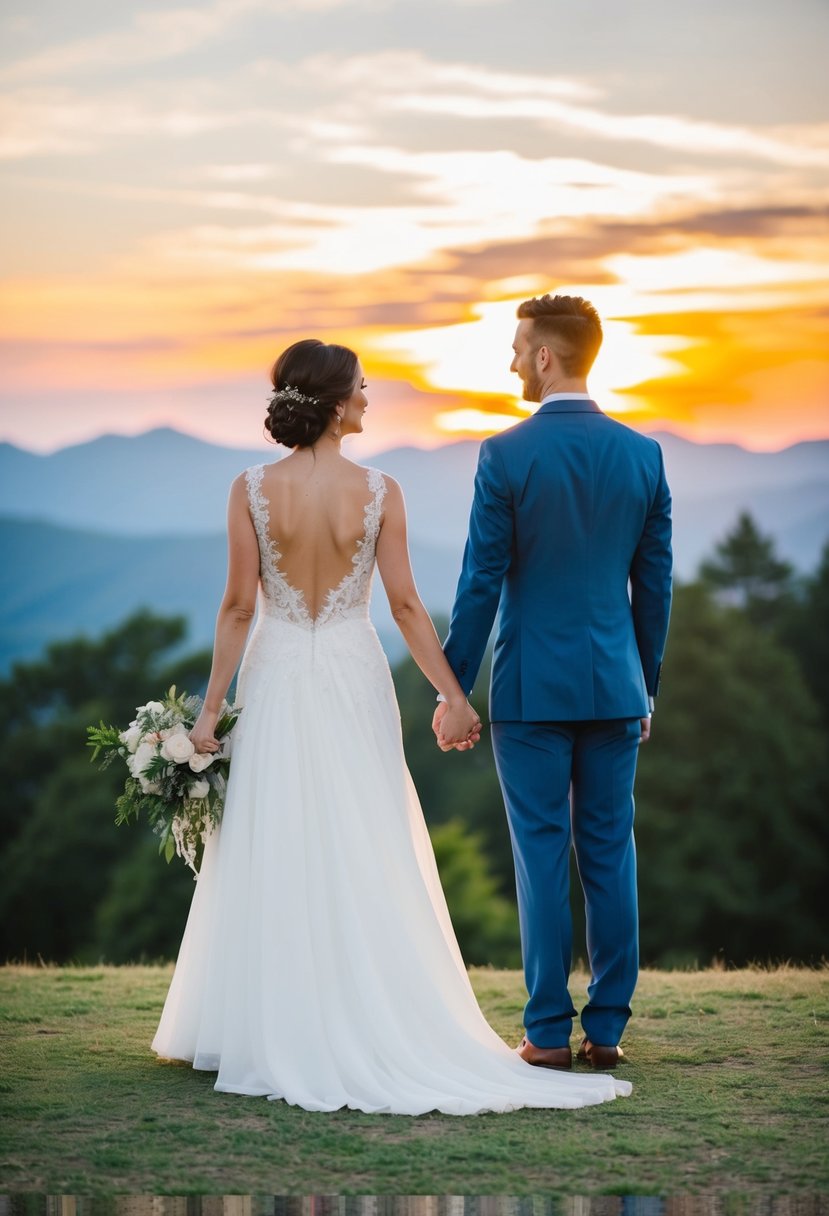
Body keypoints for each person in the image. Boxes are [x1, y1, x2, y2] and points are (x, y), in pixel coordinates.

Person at [151, 337, 631, 1114]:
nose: (370, 398)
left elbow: (239, 606)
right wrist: (454, 695)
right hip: (350, 670)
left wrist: (209, 712)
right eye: (364, 389)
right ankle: (365, 1011)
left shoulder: (249, 488)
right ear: (337, 402)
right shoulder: (380, 489)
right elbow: (406, 607)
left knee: (273, 830)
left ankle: (262, 1020)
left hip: (275, 673)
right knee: (362, 834)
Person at [436, 294, 672, 1072]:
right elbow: (655, 584)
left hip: (531, 690)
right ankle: (605, 1030)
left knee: (540, 856)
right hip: (614, 688)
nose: (508, 361)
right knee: (610, 851)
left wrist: (453, 689)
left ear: (544, 356)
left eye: (515, 347)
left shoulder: (503, 456)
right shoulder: (644, 455)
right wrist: (646, 687)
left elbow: (480, 582)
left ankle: (543, 1033)